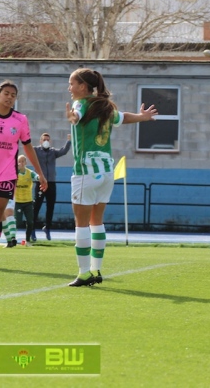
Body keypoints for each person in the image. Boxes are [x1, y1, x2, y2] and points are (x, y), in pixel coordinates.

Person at [65, 68, 158, 287]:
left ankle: (84, 272)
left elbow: (76, 114)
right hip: (106, 169)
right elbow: (123, 117)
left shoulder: (81, 104)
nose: (69, 88)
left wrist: (73, 116)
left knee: (81, 223)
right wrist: (143, 117)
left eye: (72, 83)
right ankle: (96, 270)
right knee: (97, 221)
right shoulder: (105, 106)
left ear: (83, 86)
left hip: (85, 170)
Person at [0, 80, 47, 269]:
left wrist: (40, 174)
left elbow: (28, 148)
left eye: (13, 95)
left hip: (7, 175)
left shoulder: (20, 120)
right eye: (6, 93)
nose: (10, 97)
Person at [32, 132, 71, 241]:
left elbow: (64, 151)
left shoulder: (53, 152)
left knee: (51, 207)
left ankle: (47, 228)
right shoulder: (36, 151)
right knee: (36, 206)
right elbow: (27, 148)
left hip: (52, 183)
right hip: (41, 182)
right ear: (40, 141)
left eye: (48, 140)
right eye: (44, 139)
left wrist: (69, 141)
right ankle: (32, 229)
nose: (46, 141)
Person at [13, 155, 39, 247]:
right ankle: (12, 239)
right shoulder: (14, 174)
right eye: (19, 161)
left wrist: (39, 178)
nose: (21, 163)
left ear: (26, 163)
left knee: (30, 222)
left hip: (28, 201)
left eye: (23, 161)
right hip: (18, 202)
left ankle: (27, 240)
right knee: (18, 221)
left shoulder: (29, 173)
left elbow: (36, 176)